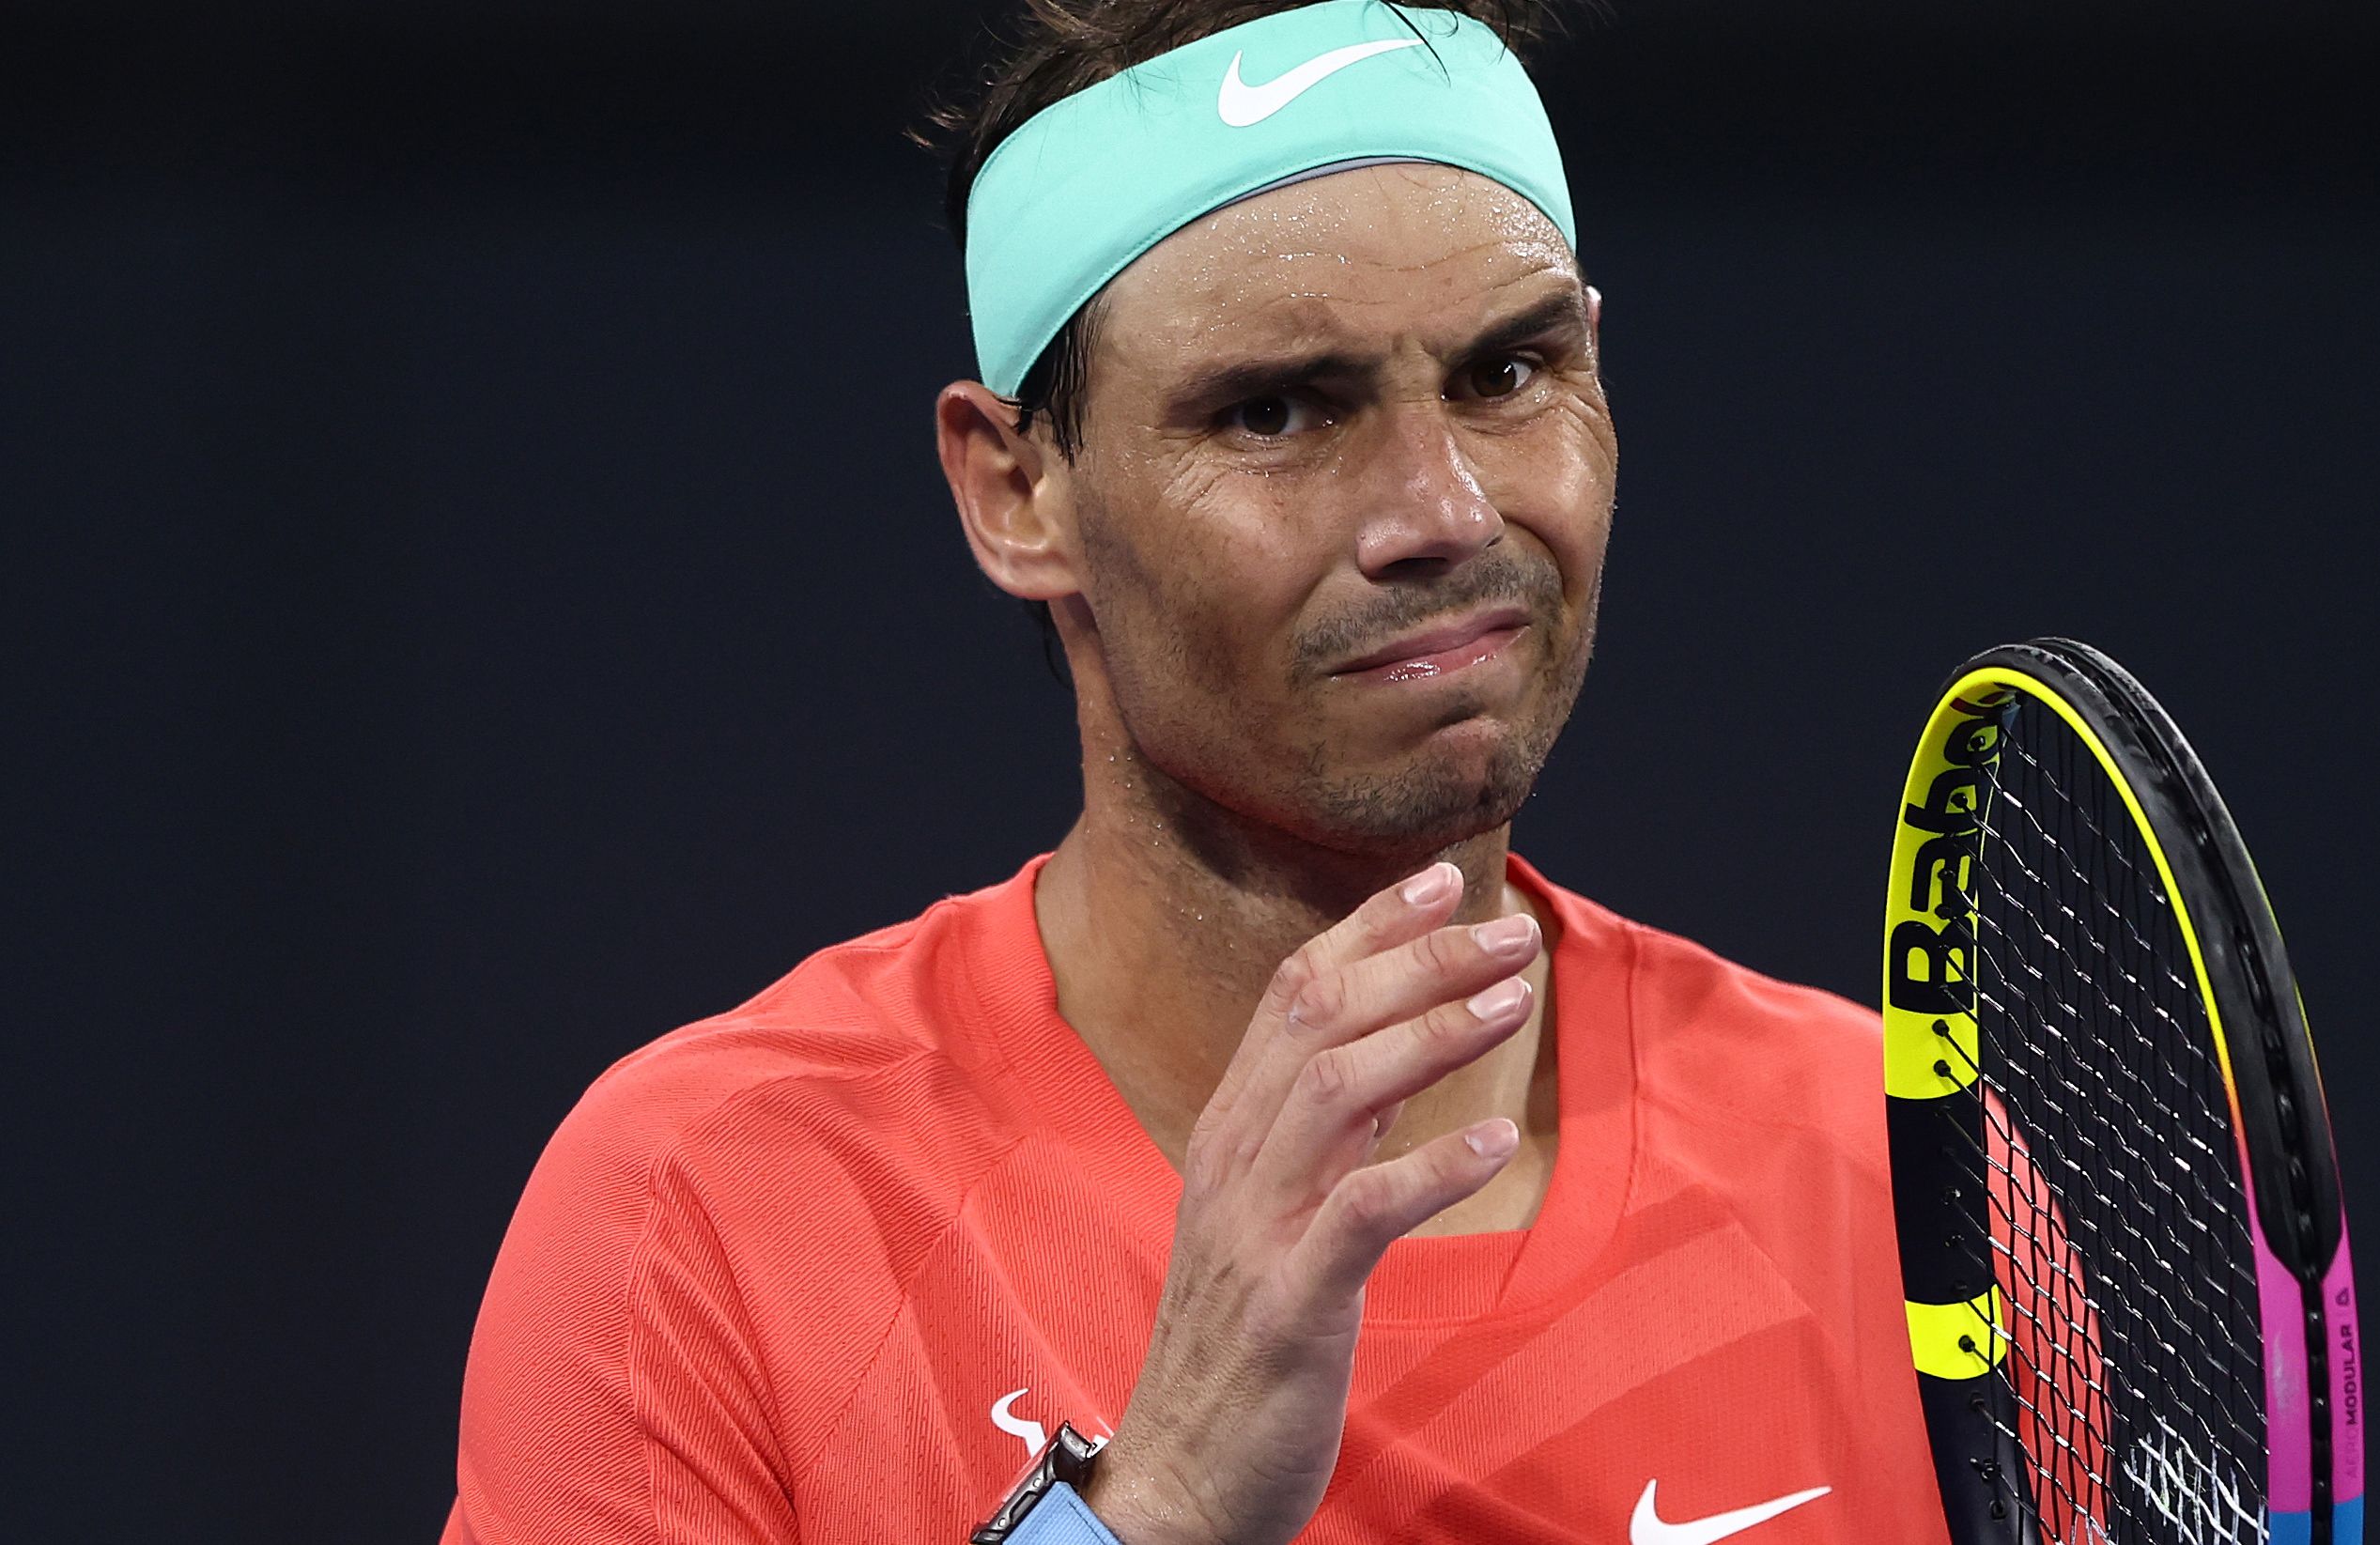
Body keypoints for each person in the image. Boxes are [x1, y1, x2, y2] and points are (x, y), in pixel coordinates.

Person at [444, 4, 1945, 1541]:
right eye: (1277, 410)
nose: (1442, 508)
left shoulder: (1917, 1193)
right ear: (1018, 489)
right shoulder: (702, 1223)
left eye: (1507, 373)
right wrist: (1147, 1510)